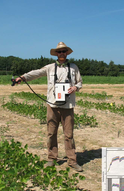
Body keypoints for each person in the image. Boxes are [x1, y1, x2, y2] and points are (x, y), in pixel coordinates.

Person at [14, 42, 83, 172]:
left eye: (63, 51)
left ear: (67, 53)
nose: (61, 53)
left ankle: (72, 161)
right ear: (56, 54)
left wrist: (75, 87)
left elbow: (80, 82)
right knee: (51, 133)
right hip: (52, 104)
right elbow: (36, 73)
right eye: (59, 52)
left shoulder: (74, 67)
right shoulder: (50, 67)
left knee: (69, 135)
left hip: (68, 106)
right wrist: (22, 78)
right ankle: (52, 158)